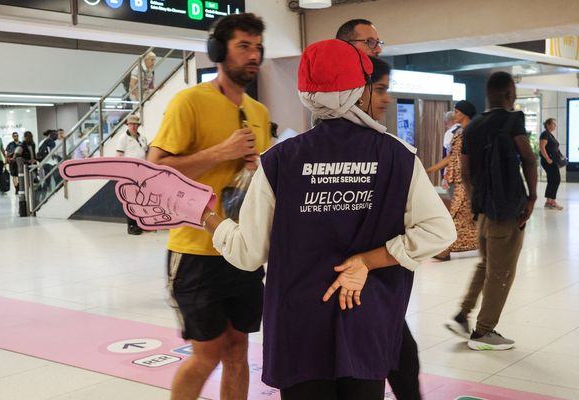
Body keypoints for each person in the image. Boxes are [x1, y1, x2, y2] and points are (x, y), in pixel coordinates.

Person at [200, 39, 456, 399]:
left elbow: (247, 252)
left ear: (305, 94)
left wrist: (206, 216)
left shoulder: (278, 161)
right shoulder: (397, 157)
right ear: (358, 90)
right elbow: (439, 231)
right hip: (367, 322)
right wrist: (367, 260)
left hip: (299, 327)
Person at [147, 13, 271, 400]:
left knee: (239, 350)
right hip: (197, 249)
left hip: (243, 250)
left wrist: (256, 166)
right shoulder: (189, 102)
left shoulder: (259, 112)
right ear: (219, 51)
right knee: (207, 354)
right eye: (243, 46)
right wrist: (222, 152)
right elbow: (154, 169)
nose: (253, 55)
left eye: (257, 48)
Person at [336, 18, 423, 400]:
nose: (378, 48)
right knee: (377, 365)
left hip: (379, 275)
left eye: (378, 41)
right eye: (369, 42)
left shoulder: (388, 147)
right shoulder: (326, 137)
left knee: (402, 357)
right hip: (342, 277)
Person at [445, 71, 537, 351]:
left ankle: (463, 314)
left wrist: (476, 202)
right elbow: (529, 159)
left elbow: (465, 171)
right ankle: (484, 332)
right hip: (506, 211)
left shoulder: (472, 127)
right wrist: (532, 197)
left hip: (484, 210)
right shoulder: (512, 119)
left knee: (486, 265)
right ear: (509, 94)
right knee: (501, 272)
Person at [426, 100, 478, 261]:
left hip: (467, 179)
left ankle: (445, 249)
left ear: (465, 113)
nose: (454, 114)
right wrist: (431, 169)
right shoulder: (460, 132)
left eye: (456, 111)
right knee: (466, 216)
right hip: (459, 179)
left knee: (456, 214)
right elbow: (451, 156)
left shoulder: (472, 132)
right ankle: (487, 241)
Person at [116, 115, 149, 235]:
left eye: (136, 124)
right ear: (128, 125)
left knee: (141, 200)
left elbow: (146, 154)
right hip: (129, 173)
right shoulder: (123, 138)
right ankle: (131, 225)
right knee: (131, 200)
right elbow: (119, 157)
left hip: (142, 172)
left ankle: (141, 223)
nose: (134, 126)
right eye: (131, 124)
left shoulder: (143, 138)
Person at [539, 118, 563, 210]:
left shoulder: (549, 135)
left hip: (552, 161)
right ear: (548, 125)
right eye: (553, 124)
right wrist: (547, 158)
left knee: (552, 180)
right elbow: (542, 147)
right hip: (548, 161)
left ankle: (549, 201)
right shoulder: (545, 134)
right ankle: (552, 202)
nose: (555, 126)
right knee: (556, 179)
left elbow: (553, 147)